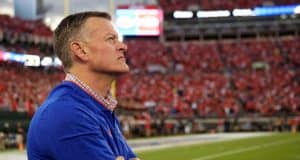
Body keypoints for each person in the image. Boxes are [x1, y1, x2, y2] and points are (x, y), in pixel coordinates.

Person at [27, 11, 140, 160]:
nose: (123, 46)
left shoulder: (97, 107)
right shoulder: (67, 113)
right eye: (111, 39)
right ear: (80, 50)